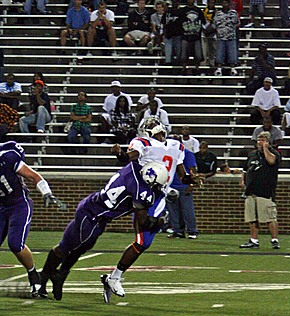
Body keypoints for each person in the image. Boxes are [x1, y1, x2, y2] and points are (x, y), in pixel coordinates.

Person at [39, 160, 169, 301]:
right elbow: (144, 221)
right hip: (92, 216)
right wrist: (160, 221)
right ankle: (43, 280)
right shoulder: (141, 190)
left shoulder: (132, 167)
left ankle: (60, 276)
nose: (157, 189)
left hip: (94, 211)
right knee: (67, 247)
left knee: (82, 247)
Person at [105, 117, 203, 301]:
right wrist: (119, 154)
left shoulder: (177, 146)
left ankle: (113, 277)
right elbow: (129, 157)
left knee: (144, 242)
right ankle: (114, 277)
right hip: (143, 192)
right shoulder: (143, 142)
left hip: (160, 197)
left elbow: (182, 176)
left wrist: (193, 178)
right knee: (141, 238)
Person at [0, 140, 65, 297]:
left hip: (19, 204)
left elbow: (33, 176)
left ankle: (33, 275)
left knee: (15, 243)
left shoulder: (7, 157)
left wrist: (46, 192)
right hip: (1, 207)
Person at [239, 131, 281, 250]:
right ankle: (254, 240)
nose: (259, 142)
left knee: (269, 217)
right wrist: (243, 180)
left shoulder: (274, 154)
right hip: (251, 191)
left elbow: (271, 161)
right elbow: (245, 169)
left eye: (262, 140)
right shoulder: (252, 154)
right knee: (252, 218)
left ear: (268, 142)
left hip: (265, 192)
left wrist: (266, 149)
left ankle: (274, 240)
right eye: (258, 140)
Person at [166, 135, 199, 239]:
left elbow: (192, 170)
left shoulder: (187, 153)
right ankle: (178, 231)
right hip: (171, 184)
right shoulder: (168, 153)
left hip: (183, 185)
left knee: (187, 209)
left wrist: (191, 184)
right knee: (173, 211)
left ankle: (192, 231)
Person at [179, 0, 206, 75]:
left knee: (198, 55)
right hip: (185, 36)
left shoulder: (198, 10)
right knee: (183, 56)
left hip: (196, 37)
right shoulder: (182, 11)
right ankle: (183, 69)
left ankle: (197, 69)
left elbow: (203, 22)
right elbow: (179, 23)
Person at [213, 0, 240, 76]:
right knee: (219, 53)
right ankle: (219, 69)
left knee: (232, 53)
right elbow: (214, 24)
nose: (225, 4)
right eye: (223, 3)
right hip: (221, 36)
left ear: (229, 4)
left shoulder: (233, 13)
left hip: (231, 36)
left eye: (226, 3)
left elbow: (237, 24)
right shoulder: (218, 13)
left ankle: (233, 68)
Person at [162, 0, 182, 66]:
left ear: (178, 3)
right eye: (173, 2)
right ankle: (168, 63)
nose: (174, 3)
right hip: (168, 35)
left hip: (178, 35)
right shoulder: (167, 13)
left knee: (178, 51)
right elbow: (163, 24)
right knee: (168, 50)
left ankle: (178, 64)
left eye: (176, 2)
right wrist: (164, 34)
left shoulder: (181, 12)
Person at [201, 0, 217, 72]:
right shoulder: (203, 11)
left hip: (213, 34)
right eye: (210, 2)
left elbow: (217, 22)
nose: (211, 4)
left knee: (212, 53)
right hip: (204, 34)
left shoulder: (217, 12)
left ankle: (211, 69)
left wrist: (211, 29)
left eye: (212, 3)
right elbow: (200, 21)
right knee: (204, 52)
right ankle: (203, 69)